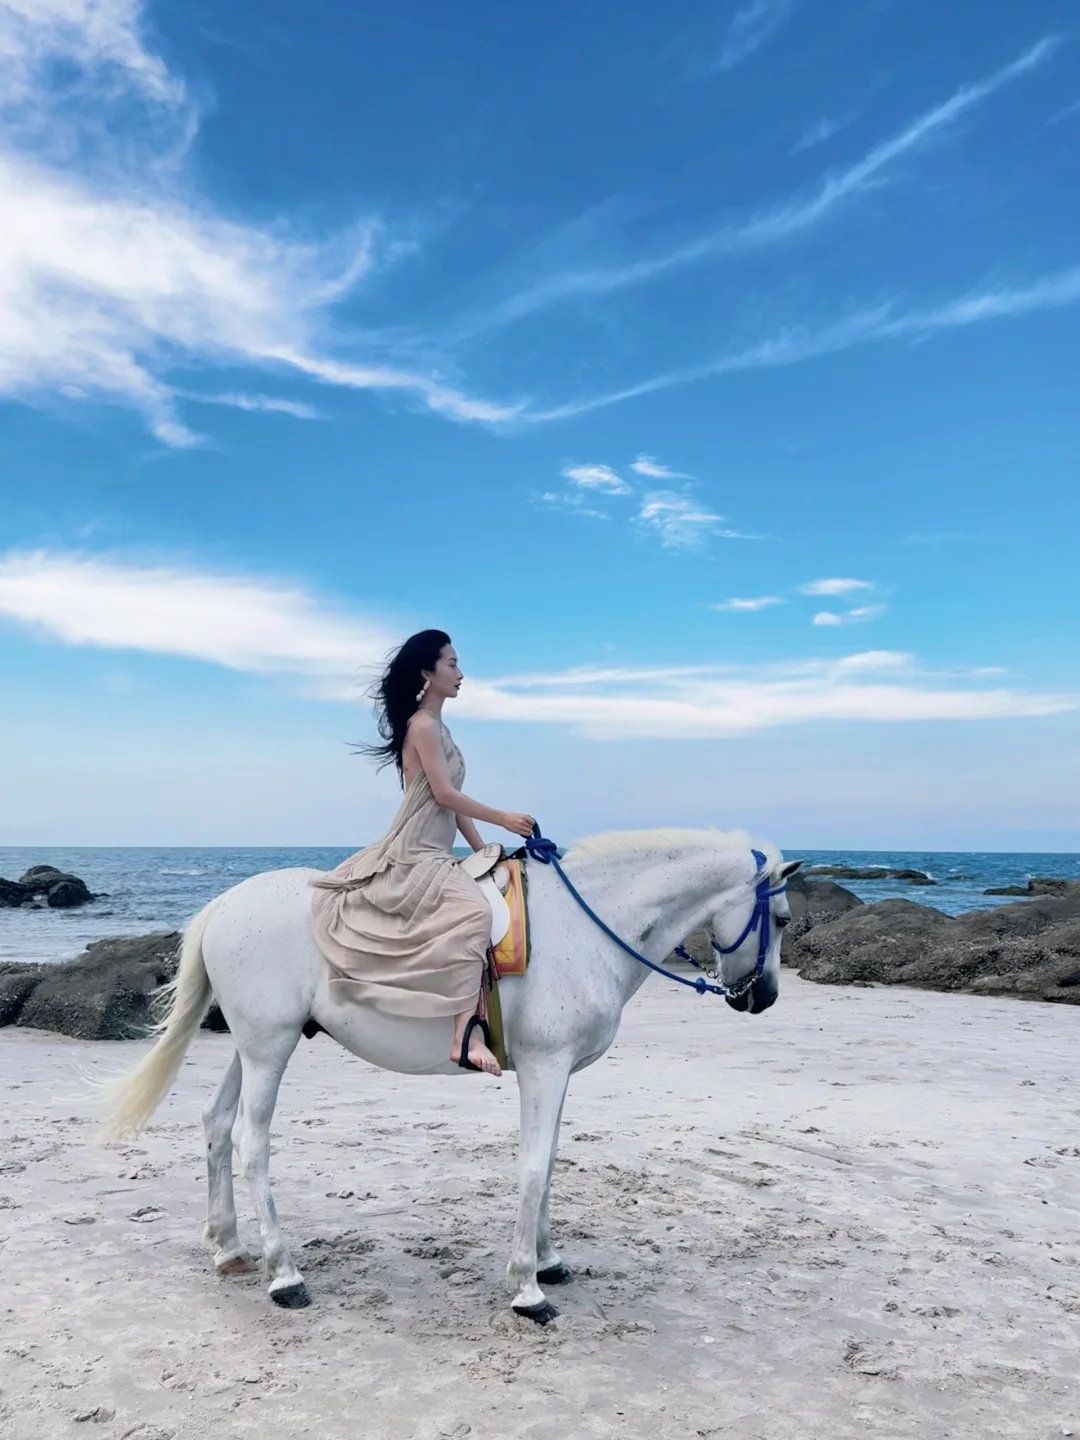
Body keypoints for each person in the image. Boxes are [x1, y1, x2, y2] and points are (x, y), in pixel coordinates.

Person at [310, 630, 534, 1075]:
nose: (461, 673)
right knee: (474, 915)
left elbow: (449, 803)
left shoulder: (438, 726)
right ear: (426, 674)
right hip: (417, 851)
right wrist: (503, 818)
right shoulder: (423, 726)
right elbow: (446, 795)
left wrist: (484, 851)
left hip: (438, 845)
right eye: (451, 664)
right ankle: (462, 1037)